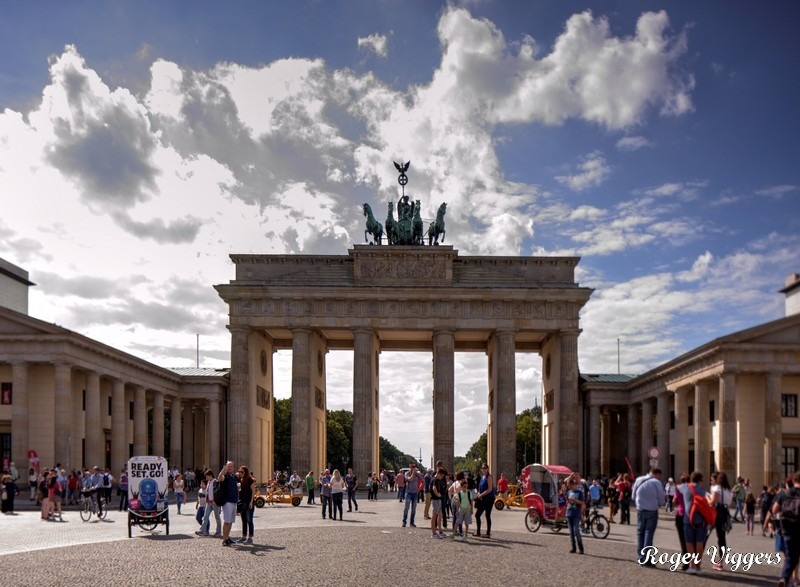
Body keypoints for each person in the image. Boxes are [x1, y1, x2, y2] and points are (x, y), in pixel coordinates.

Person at [770, 471, 800, 587]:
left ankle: (784, 578)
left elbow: (774, 510)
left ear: (793, 481)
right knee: (794, 558)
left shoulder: (784, 493)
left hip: (786, 529)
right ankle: (788, 579)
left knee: (790, 557)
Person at [632, 466, 666, 567]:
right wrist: (661, 503)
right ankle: (647, 559)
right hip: (652, 511)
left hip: (640, 510)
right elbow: (661, 500)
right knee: (648, 534)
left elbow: (633, 496)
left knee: (640, 533)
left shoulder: (638, 480)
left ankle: (640, 557)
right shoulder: (657, 483)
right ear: (657, 474)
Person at [679, 471, 708, 574]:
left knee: (689, 542)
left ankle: (691, 564)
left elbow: (677, 488)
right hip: (701, 519)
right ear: (700, 480)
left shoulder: (685, 487)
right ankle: (698, 566)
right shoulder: (703, 490)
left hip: (688, 519)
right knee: (699, 542)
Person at [708, 471, 733, 570]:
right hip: (725, 513)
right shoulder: (728, 490)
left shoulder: (717, 488)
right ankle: (720, 562)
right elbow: (729, 503)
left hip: (716, 513)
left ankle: (697, 559)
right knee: (722, 539)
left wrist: (707, 497)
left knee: (705, 534)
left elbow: (712, 502)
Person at [218, 461, 239, 546]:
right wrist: (223, 471)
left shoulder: (234, 477)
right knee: (227, 521)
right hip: (227, 501)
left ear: (233, 468)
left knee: (230, 521)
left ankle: (227, 537)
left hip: (234, 501)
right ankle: (224, 539)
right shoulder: (225, 476)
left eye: (231, 466)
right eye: (228, 466)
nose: (230, 468)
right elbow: (219, 478)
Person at [673, 473, 690, 572]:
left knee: (683, 540)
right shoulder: (691, 489)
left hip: (680, 515)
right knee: (690, 540)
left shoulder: (678, 488)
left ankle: (685, 563)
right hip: (690, 515)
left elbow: (674, 501)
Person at [565, 473, 585, 554]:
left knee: (576, 530)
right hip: (569, 513)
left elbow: (582, 502)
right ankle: (573, 547)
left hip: (576, 514)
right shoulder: (569, 492)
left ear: (574, 485)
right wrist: (568, 500)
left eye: (570, 486)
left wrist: (575, 500)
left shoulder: (579, 492)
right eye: (569, 487)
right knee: (571, 532)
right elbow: (567, 502)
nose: (570, 488)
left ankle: (581, 548)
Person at [474, 463, 495, 538]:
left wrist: (481, 495)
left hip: (489, 498)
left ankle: (488, 533)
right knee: (477, 515)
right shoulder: (482, 477)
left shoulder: (489, 477)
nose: (484, 469)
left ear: (487, 469)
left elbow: (490, 489)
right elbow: (480, 488)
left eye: (485, 468)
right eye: (483, 468)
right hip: (482, 499)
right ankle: (478, 532)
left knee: (487, 515)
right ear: (481, 469)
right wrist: (478, 494)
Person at [451, 473, 472, 541]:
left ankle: (465, 536)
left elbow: (471, 501)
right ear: (461, 487)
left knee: (466, 523)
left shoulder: (469, 493)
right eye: (464, 487)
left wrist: (471, 509)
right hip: (461, 509)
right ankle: (453, 534)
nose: (465, 488)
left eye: (466, 486)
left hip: (467, 509)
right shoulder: (459, 494)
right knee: (457, 522)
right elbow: (458, 503)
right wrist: (457, 510)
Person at [401, 463, 423, 528]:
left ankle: (412, 522)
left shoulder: (417, 474)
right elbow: (410, 479)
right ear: (410, 467)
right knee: (406, 508)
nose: (414, 467)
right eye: (412, 466)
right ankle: (404, 522)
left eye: (415, 466)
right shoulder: (407, 473)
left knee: (414, 509)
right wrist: (413, 473)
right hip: (408, 493)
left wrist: (419, 488)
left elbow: (423, 481)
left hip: (415, 493)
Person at [238, 465, 255, 544]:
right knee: (243, 520)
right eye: (239, 472)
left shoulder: (250, 480)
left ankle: (250, 537)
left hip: (249, 502)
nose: (240, 473)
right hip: (242, 502)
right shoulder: (240, 480)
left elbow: (253, 492)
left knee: (249, 520)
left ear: (246, 472)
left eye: (242, 472)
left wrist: (251, 502)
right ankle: (244, 536)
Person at [429, 468, 446, 538]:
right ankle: (433, 533)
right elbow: (434, 488)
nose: (442, 477)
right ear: (438, 473)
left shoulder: (437, 480)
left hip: (438, 499)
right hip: (435, 499)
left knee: (440, 514)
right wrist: (437, 494)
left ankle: (440, 531)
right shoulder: (435, 480)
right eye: (441, 475)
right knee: (435, 515)